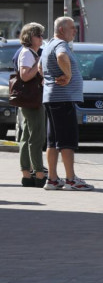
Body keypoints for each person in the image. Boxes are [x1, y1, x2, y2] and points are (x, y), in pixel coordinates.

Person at [40, 16, 93, 190]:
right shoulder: (60, 46)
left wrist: (48, 79)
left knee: (53, 141)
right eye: (72, 28)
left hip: (52, 98)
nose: (75, 31)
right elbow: (62, 57)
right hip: (63, 99)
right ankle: (71, 180)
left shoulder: (48, 45)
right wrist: (68, 75)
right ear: (62, 29)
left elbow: (40, 67)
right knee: (67, 141)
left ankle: (53, 179)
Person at [14, 23, 47, 187]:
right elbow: (25, 76)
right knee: (36, 136)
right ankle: (39, 174)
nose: (41, 38)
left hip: (29, 99)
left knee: (27, 136)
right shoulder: (28, 54)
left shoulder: (30, 52)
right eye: (38, 35)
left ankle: (27, 175)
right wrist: (39, 62)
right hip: (32, 100)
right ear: (30, 37)